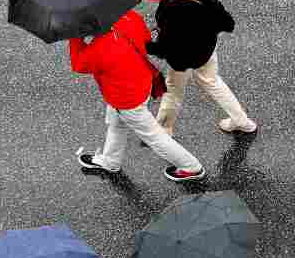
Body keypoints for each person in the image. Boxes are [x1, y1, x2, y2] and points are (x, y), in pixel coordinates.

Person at [70, 10, 206, 182]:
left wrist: (75, 37)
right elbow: (146, 38)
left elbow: (78, 63)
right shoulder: (129, 17)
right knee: (116, 123)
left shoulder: (99, 48)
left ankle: (191, 167)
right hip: (142, 83)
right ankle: (110, 160)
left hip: (125, 98)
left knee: (154, 136)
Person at [146, 0, 256, 137]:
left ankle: (164, 129)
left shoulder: (168, 6)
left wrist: (147, 46)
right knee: (212, 82)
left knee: (173, 92)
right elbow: (228, 24)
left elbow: (164, 48)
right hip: (206, 52)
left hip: (181, 60)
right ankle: (242, 121)